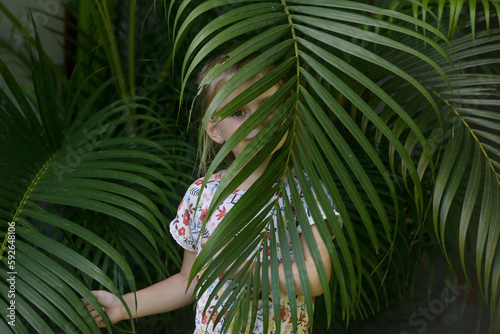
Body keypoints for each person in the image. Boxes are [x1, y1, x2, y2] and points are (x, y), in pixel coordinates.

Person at [83, 53, 341, 333]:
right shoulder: (201, 195)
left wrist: (248, 269)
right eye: (239, 112)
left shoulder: (304, 192)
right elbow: (189, 280)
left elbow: (315, 278)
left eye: (269, 105)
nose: (258, 121)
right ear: (215, 130)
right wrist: (122, 306)